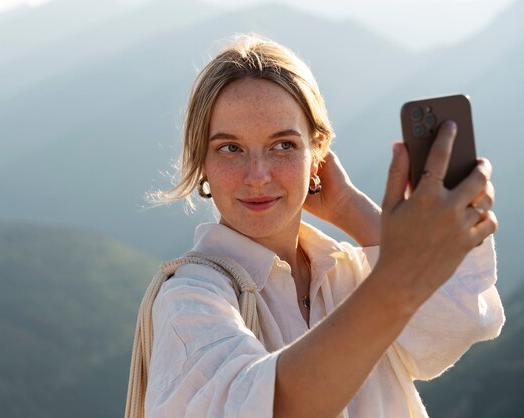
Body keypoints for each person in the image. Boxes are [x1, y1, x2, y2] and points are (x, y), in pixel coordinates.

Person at [143, 33, 504, 418]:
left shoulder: (349, 273)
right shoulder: (189, 300)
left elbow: (457, 324)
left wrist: (351, 209)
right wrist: (397, 277)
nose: (258, 175)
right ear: (203, 164)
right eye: (229, 148)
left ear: (317, 154)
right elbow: (270, 406)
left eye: (283, 145)